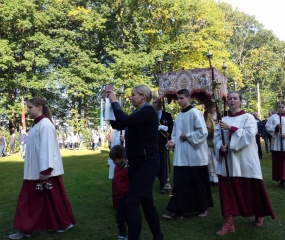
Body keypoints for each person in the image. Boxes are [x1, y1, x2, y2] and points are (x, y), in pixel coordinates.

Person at [9, 97, 76, 240]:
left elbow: (48, 148)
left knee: (33, 201)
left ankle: (27, 229)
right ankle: (61, 224)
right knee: (49, 201)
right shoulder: (36, 124)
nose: (28, 111)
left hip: (43, 171)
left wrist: (45, 170)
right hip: (35, 170)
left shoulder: (45, 125)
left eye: (30, 107)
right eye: (27, 107)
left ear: (39, 107)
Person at [213, 92, 275, 237]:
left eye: (235, 98)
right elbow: (216, 137)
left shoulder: (248, 117)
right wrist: (219, 147)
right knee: (227, 192)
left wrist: (231, 129)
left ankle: (259, 214)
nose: (232, 100)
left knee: (251, 190)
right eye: (230, 98)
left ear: (240, 101)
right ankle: (228, 223)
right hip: (228, 161)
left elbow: (249, 135)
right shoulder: (223, 119)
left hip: (245, 161)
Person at [108, 84, 163, 240]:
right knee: (146, 202)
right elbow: (118, 123)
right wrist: (109, 106)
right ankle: (158, 236)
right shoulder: (139, 112)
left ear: (143, 96)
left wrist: (114, 102)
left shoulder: (148, 111)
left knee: (131, 203)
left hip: (147, 163)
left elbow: (124, 120)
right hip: (137, 163)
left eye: (133, 95)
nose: (130, 97)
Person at [163, 89, 213, 220]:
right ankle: (178, 209)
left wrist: (188, 136)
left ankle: (203, 207)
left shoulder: (195, 113)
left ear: (188, 98)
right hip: (181, 156)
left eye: (181, 98)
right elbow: (174, 134)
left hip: (195, 155)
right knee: (181, 184)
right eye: (178, 99)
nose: (179, 101)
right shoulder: (178, 115)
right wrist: (172, 142)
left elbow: (203, 132)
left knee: (197, 183)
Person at [152, 97, 173, 194]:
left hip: (163, 142)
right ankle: (161, 179)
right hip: (152, 142)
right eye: (153, 102)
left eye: (155, 102)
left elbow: (171, 129)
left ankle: (163, 184)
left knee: (163, 163)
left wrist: (168, 138)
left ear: (160, 104)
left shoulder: (167, 115)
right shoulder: (151, 115)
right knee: (155, 164)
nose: (154, 104)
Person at [109, 145, 129, 240]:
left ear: (121, 158)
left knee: (126, 217)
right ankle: (122, 233)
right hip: (118, 196)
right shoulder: (117, 167)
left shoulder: (126, 169)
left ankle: (128, 233)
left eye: (115, 159)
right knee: (119, 217)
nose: (113, 162)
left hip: (125, 197)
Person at [265, 101, 285, 186]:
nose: (281, 108)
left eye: (282, 107)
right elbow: (267, 127)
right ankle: (281, 179)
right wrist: (276, 127)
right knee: (278, 163)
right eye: (279, 107)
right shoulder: (273, 117)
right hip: (277, 143)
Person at [203, 100, 218, 184]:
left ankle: (215, 178)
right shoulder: (207, 115)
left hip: (213, 140)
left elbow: (211, 127)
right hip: (208, 141)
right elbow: (209, 127)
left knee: (213, 160)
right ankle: (212, 178)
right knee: (210, 161)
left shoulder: (214, 115)